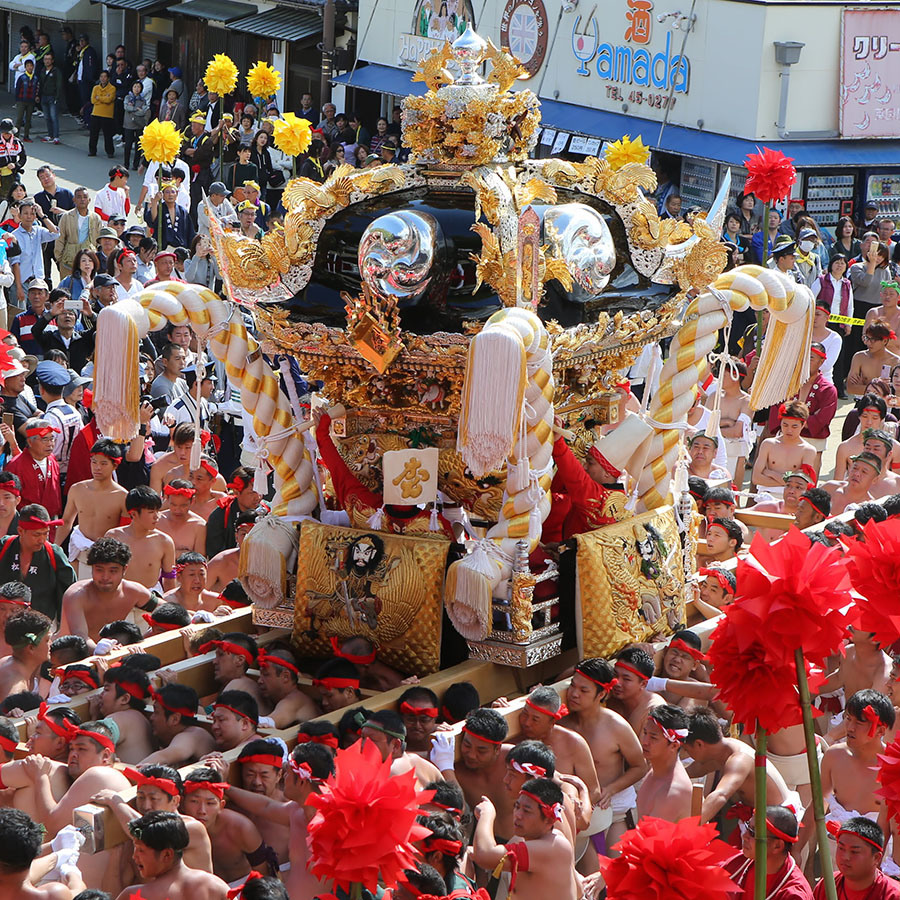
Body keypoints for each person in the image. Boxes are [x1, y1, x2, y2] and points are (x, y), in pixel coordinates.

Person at [802, 690, 895, 863]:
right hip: (834, 852)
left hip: (876, 860)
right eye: (848, 718)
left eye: (859, 722)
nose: (849, 727)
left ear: (880, 730)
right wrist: (797, 847)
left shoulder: (894, 767)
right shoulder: (833, 756)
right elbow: (817, 804)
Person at [473, 777, 578, 900]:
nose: (518, 815)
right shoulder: (521, 840)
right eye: (517, 807)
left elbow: (485, 855)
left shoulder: (554, 845)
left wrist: (487, 814)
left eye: (526, 811)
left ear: (549, 819)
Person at [684, 708, 791, 824]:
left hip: (777, 821)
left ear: (699, 744)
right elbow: (694, 770)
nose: (688, 754)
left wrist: (690, 828)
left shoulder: (738, 760)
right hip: (756, 818)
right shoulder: (720, 751)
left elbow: (720, 795)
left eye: (686, 749)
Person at [181, 767, 273, 884]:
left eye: (210, 803)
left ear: (221, 805)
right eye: (194, 801)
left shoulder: (241, 827)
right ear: (182, 803)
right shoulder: (176, 831)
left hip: (248, 887)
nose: (202, 810)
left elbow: (265, 875)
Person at [57, 536, 152, 647]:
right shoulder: (76, 595)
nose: (105, 577)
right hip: (70, 655)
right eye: (99, 570)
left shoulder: (133, 592)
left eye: (113, 571)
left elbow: (165, 610)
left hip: (111, 653)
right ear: (91, 568)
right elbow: (80, 636)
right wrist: (101, 651)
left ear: (124, 569)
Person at [113, 810, 228, 900]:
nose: (135, 856)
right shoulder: (215, 886)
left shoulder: (132, 895)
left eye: (141, 850)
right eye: (135, 848)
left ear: (167, 855)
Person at [56, 440, 128, 573]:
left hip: (108, 560)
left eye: (103, 463)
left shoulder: (122, 496)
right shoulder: (77, 489)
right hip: (79, 556)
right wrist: (54, 548)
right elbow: (66, 522)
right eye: (94, 462)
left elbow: (125, 534)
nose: (97, 467)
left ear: (115, 465)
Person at [725, 805, 812, 899]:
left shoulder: (794, 894)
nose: (744, 836)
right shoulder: (737, 861)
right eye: (747, 827)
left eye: (753, 832)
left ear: (777, 846)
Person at [105, 486, 177, 592]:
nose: (157, 516)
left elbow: (170, 580)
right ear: (134, 514)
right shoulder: (114, 537)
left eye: (158, 511)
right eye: (151, 512)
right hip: (120, 596)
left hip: (152, 598)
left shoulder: (164, 541)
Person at [815, 817, 900, 899]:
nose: (845, 857)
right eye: (841, 848)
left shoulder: (893, 895)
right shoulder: (828, 884)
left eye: (854, 852)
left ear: (876, 858)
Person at [636, 704, 693, 822]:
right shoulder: (654, 771)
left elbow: (651, 839)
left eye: (653, 737)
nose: (645, 741)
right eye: (645, 733)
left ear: (674, 745)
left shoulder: (674, 791)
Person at [143, 683, 215, 766]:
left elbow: (163, 757)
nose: (151, 717)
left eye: (156, 712)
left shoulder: (192, 735)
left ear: (175, 719)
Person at [752, 400, 818, 490]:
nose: (789, 430)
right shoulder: (768, 444)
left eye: (794, 426)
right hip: (766, 494)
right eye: (785, 425)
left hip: (792, 496)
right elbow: (756, 478)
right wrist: (786, 482)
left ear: (803, 425)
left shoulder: (808, 450)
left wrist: (772, 473)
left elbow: (801, 483)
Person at [5, 418, 63, 519]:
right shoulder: (15, 466)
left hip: (51, 520)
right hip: (28, 522)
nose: (50, 444)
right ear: (30, 442)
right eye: (44, 439)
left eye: (52, 438)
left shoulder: (52, 459)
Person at [205, 467, 262, 558]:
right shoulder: (219, 516)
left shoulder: (268, 511)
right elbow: (215, 554)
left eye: (260, 492)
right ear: (236, 492)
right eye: (252, 493)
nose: (258, 497)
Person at [257, 648, 318, 728]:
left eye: (266, 675)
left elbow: (269, 723)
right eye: (260, 675)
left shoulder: (296, 700)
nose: (259, 681)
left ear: (286, 677)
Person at [848, 318, 900, 396]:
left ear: (885, 341)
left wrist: (865, 387)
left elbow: (897, 391)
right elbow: (850, 388)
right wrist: (881, 388)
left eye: (873, 340)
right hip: (863, 401)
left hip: (887, 405)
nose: (869, 343)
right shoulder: (859, 357)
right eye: (867, 338)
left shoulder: (895, 361)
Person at [146, 181, 195, 249]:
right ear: (163, 195)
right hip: (163, 246)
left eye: (172, 192)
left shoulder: (182, 211)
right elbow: (152, 221)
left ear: (177, 194)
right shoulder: (159, 208)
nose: (170, 195)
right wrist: (155, 201)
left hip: (179, 247)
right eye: (167, 192)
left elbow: (190, 232)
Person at [88, 71, 116, 159]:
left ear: (108, 78)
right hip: (95, 113)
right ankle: (92, 150)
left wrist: (99, 98)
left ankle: (110, 152)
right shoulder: (96, 88)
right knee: (93, 134)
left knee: (107, 135)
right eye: (101, 76)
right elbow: (93, 100)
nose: (103, 78)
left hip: (107, 115)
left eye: (105, 77)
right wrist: (104, 98)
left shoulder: (112, 88)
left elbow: (109, 99)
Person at [123, 81, 150, 170]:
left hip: (138, 124)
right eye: (135, 86)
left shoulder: (143, 100)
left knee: (138, 145)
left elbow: (143, 111)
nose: (136, 89)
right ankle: (126, 163)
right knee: (128, 145)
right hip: (128, 124)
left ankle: (136, 164)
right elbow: (126, 107)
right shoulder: (128, 97)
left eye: (138, 87)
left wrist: (133, 110)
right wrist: (135, 109)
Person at [38, 52, 63, 145]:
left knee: (54, 117)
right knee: (47, 117)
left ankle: (56, 136)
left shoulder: (56, 71)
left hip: (53, 97)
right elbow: (40, 83)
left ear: (52, 60)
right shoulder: (42, 70)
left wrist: (57, 97)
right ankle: (50, 135)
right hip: (44, 96)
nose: (47, 61)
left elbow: (59, 85)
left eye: (49, 59)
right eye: (45, 59)